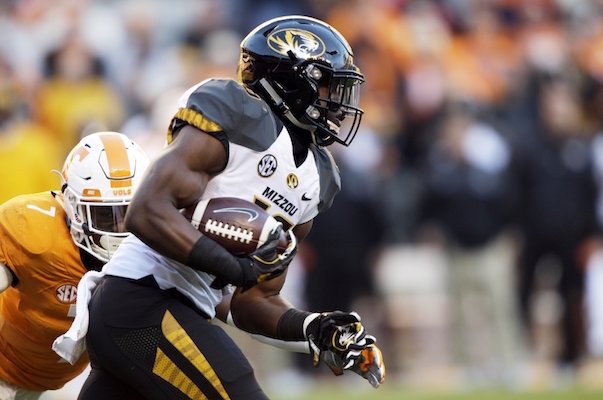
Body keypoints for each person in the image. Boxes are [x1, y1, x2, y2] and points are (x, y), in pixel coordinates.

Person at [69, 15, 385, 399]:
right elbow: (147, 211)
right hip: (142, 296)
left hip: (169, 311)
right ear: (291, 80)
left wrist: (312, 328)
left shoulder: (319, 178)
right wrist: (236, 267)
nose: (337, 103)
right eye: (326, 86)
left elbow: (253, 300)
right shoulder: (236, 112)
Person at [0, 131, 150, 400]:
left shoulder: (158, 247)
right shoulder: (33, 231)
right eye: (106, 215)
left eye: (130, 213)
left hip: (71, 379)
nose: (120, 229)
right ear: (71, 205)